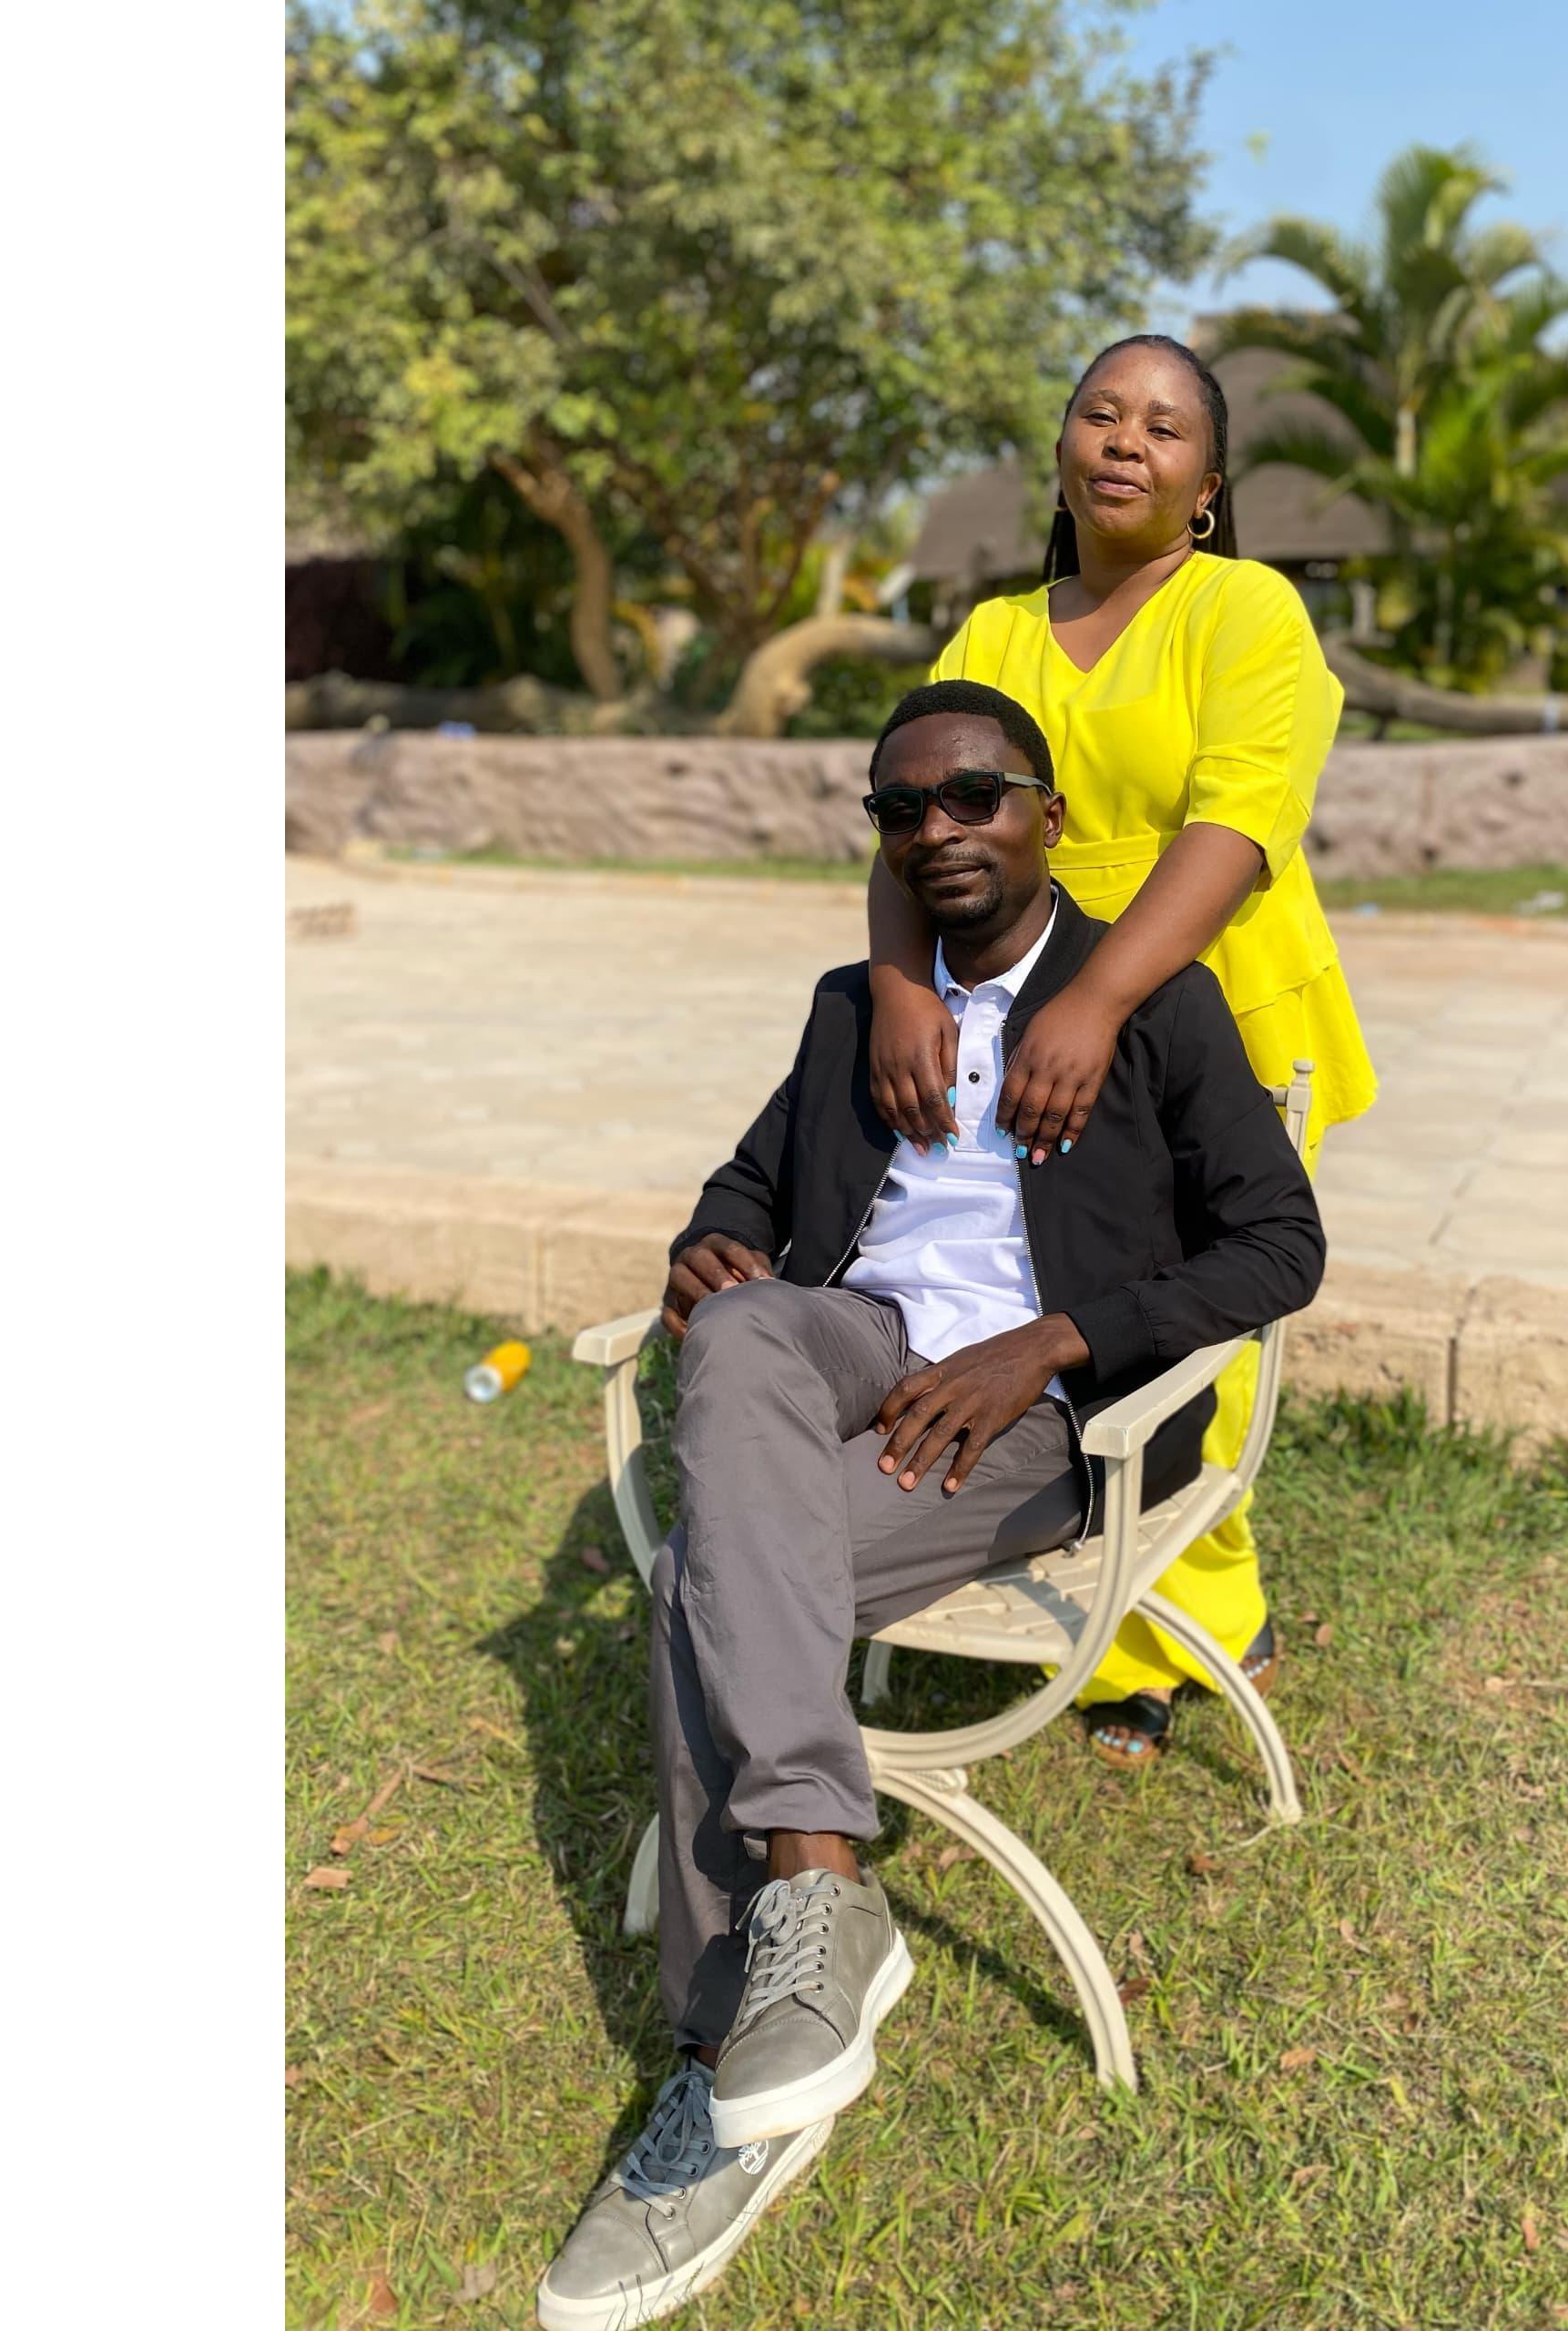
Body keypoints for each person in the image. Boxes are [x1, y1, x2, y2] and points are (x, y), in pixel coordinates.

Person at [537, 679, 1326, 2331]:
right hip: (863, 1344)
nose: (940, 829)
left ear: (1046, 816)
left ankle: (718, 2071)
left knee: (696, 1577)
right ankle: (821, 1891)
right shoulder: (857, 1007)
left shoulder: (1152, 1008)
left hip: (1035, 1413)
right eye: (904, 810)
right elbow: (752, 1186)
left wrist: (1054, 1342)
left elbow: (1280, 1245)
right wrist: (708, 1247)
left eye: (976, 796)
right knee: (743, 1328)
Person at [868, 332, 1377, 1768]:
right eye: (1101, 413)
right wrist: (900, 987)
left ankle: (1160, 1638)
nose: (1125, 440)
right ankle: (1124, 1588)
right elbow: (911, 810)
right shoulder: (990, 636)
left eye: (1163, 426)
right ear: (1061, 451)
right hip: (1019, 1034)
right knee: (1058, 1292)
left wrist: (1093, 1003)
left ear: (1207, 484)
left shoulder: (1246, 611)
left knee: (1195, 1332)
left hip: (1211, 1019)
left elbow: (1236, 825)